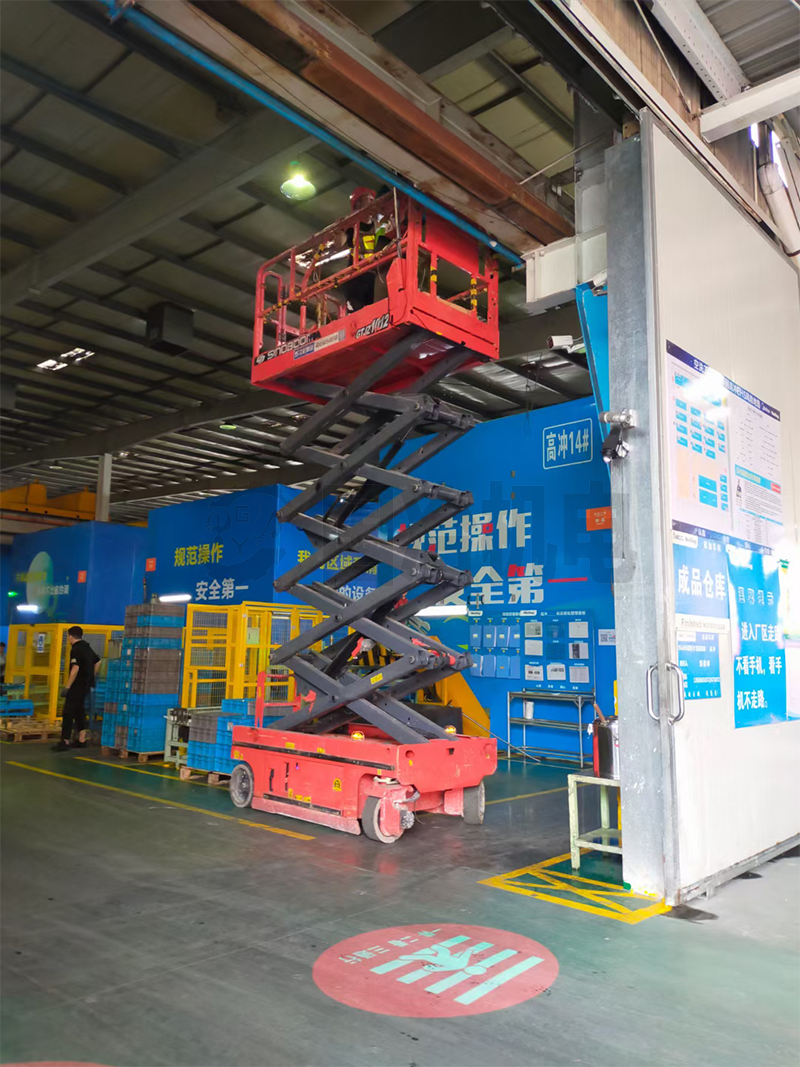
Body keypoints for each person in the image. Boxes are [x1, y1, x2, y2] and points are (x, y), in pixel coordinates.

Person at [53, 625, 100, 752]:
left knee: (68, 712)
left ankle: (65, 741)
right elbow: (98, 662)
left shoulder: (76, 649)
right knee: (79, 710)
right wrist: (90, 676)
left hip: (76, 685)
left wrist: (67, 687)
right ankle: (81, 739)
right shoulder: (87, 647)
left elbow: (75, 669)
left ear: (70, 636)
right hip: (85, 685)